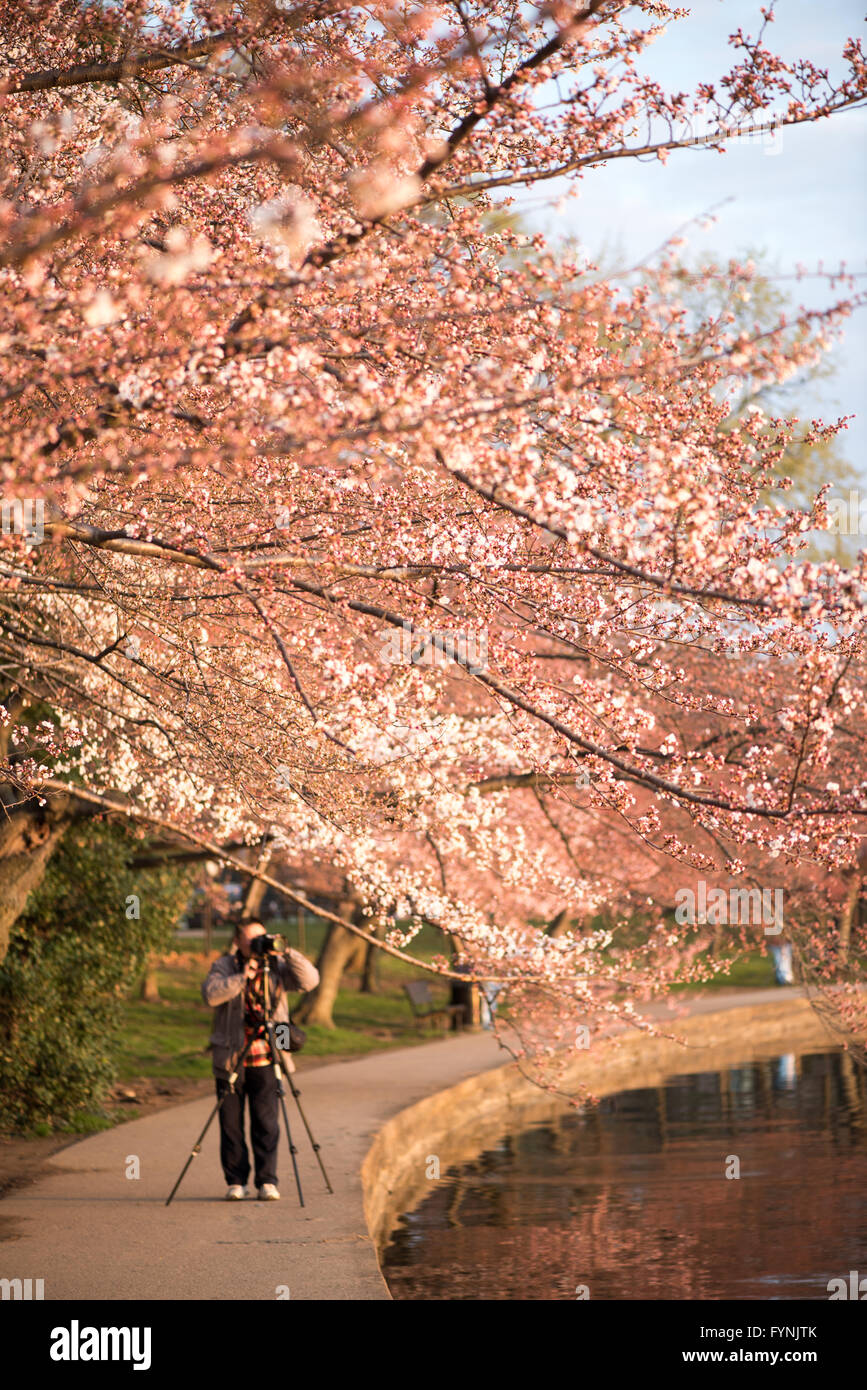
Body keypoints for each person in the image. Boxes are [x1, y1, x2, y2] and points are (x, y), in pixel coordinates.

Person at [202, 920, 319, 1201]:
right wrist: (243, 976)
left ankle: (267, 1181)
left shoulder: (277, 966)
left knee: (267, 1123)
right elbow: (211, 996)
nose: (259, 942)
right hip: (231, 1058)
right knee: (231, 1124)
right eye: (253, 938)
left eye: (263, 936)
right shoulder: (224, 966)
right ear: (238, 941)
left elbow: (310, 980)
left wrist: (287, 952)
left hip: (269, 1055)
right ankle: (236, 1182)